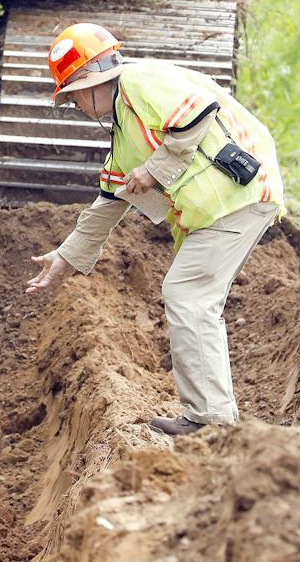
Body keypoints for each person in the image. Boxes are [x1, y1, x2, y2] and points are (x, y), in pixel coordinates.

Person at [26, 23, 284, 436]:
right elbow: (108, 203)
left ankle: (211, 420)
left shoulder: (140, 81)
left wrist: (155, 169)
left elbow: (199, 112)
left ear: (93, 80)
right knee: (190, 294)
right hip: (219, 211)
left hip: (240, 198)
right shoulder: (124, 128)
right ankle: (210, 415)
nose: (74, 105)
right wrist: (64, 258)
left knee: (188, 294)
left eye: (73, 96)